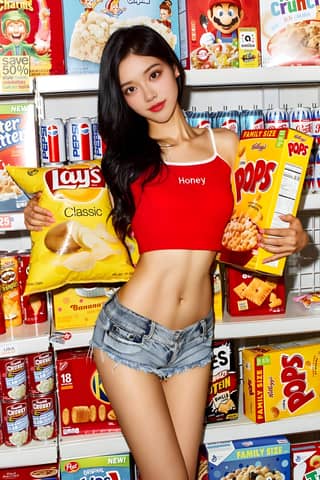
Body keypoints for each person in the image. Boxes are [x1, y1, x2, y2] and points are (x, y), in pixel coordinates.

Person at [24, 25, 309, 480]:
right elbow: (63, 207)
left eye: (154, 75)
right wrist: (35, 214)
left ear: (176, 70)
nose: (147, 95)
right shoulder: (126, 159)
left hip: (196, 338)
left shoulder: (228, 149)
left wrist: (297, 238)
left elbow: (268, 221)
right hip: (130, 337)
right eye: (131, 88)